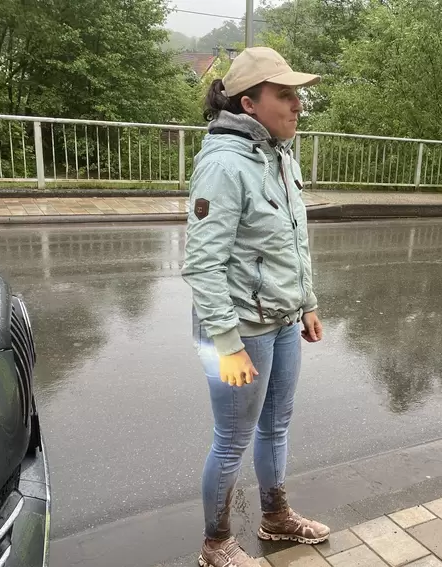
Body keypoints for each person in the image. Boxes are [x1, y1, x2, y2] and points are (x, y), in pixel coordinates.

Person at [181, 46, 329, 567]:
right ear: (249, 104)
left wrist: (306, 302)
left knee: (275, 427)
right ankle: (216, 543)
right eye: (284, 94)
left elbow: (293, 239)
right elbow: (202, 265)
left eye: (297, 94)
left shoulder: (279, 154)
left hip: (283, 320)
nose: (297, 105)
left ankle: (275, 515)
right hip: (238, 330)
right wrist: (227, 344)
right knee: (231, 441)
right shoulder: (224, 163)